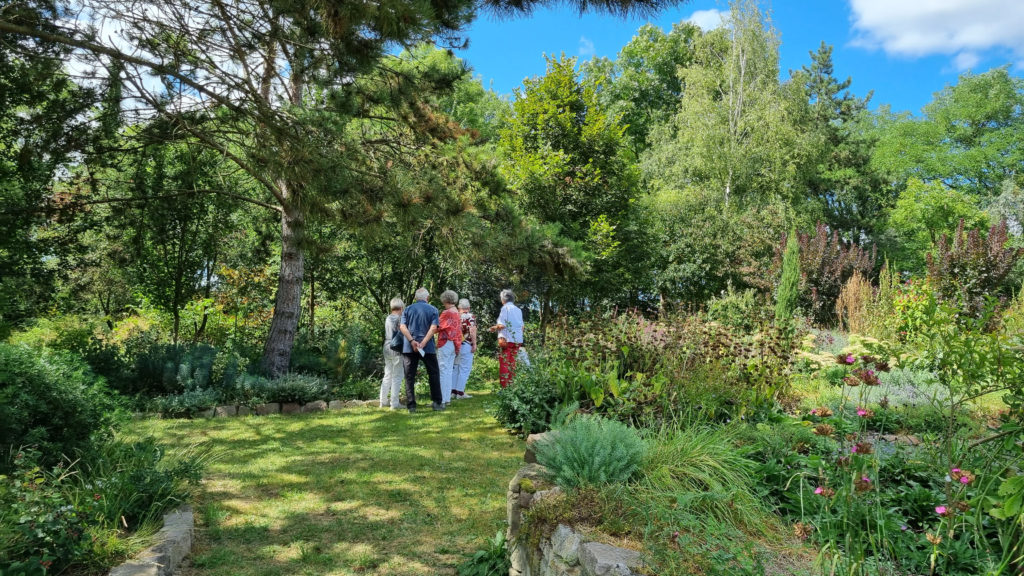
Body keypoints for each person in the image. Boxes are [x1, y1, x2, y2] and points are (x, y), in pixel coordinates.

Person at [399, 287, 444, 412]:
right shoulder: (433, 309)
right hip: (427, 347)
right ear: (427, 298)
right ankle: (436, 402)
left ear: (415, 298)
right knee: (434, 374)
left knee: (409, 376)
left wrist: (412, 341)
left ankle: (411, 405)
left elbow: (402, 326)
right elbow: (434, 327)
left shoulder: (407, 309)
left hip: (409, 347)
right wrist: (423, 342)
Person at [489, 289, 524, 388]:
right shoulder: (518, 310)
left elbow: (502, 325)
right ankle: (512, 385)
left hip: (507, 339)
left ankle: (504, 387)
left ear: (503, 299)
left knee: (504, 363)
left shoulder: (505, 308)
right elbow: (522, 327)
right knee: (512, 363)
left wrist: (493, 328)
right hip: (517, 340)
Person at [436, 290, 462, 406]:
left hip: (445, 343)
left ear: (445, 300)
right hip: (454, 344)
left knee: (442, 371)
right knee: (448, 372)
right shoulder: (456, 312)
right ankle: (446, 399)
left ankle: (441, 399)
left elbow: (437, 326)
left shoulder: (447, 312)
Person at [379, 297, 405, 410]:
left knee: (387, 374)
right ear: (401, 307)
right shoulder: (399, 319)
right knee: (397, 376)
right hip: (396, 348)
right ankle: (394, 403)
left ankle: (382, 401)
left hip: (386, 346)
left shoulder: (388, 317)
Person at [451, 298, 477, 400]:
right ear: (469, 308)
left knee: (456, 368)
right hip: (466, 345)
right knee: (465, 368)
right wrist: (474, 344)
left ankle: (453, 391)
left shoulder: (455, 316)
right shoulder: (470, 317)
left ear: (459, 308)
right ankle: (460, 392)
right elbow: (472, 330)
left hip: (455, 345)